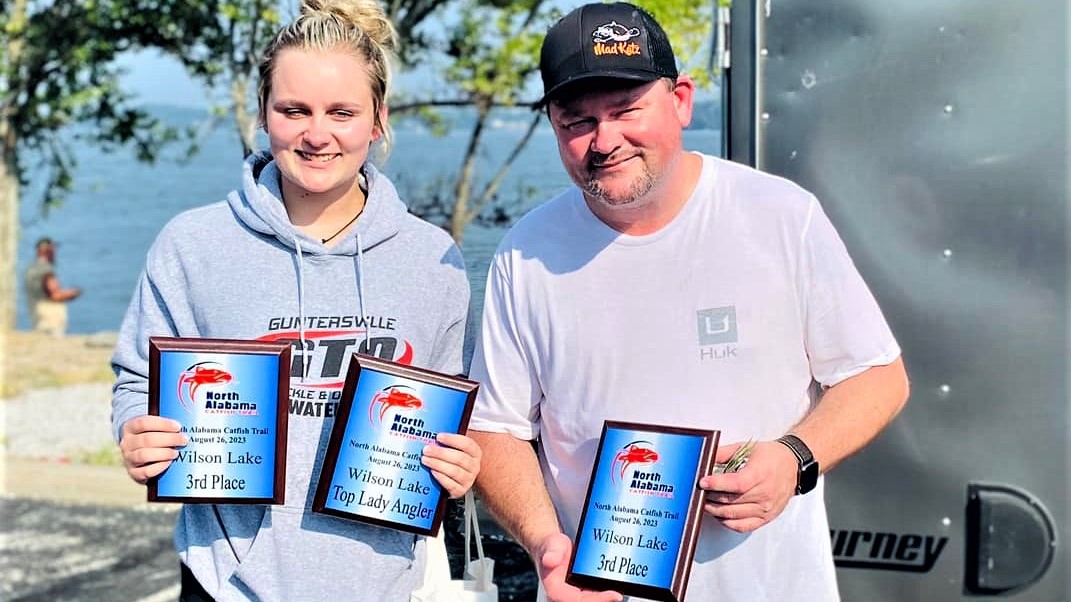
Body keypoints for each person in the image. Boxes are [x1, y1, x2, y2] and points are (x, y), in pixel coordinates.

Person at [467, 3, 910, 601]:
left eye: (626, 111)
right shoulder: (525, 254)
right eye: (577, 121)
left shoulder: (779, 215)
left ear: (679, 100)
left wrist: (794, 458)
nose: (605, 140)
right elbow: (496, 431)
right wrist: (547, 544)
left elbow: (878, 376)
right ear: (552, 124)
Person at [110, 1, 481, 600]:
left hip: (383, 583)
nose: (317, 134)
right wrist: (136, 433)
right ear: (264, 113)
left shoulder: (432, 258)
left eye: (342, 112)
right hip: (227, 583)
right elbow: (136, 381)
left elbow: (454, 406)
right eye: (294, 110)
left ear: (378, 120)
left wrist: (462, 463)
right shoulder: (193, 244)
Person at [23, 237, 81, 336]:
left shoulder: (29, 269)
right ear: (47, 251)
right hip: (51, 317)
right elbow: (55, 294)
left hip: (36, 312)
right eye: (52, 249)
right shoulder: (46, 270)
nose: (54, 252)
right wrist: (73, 293)